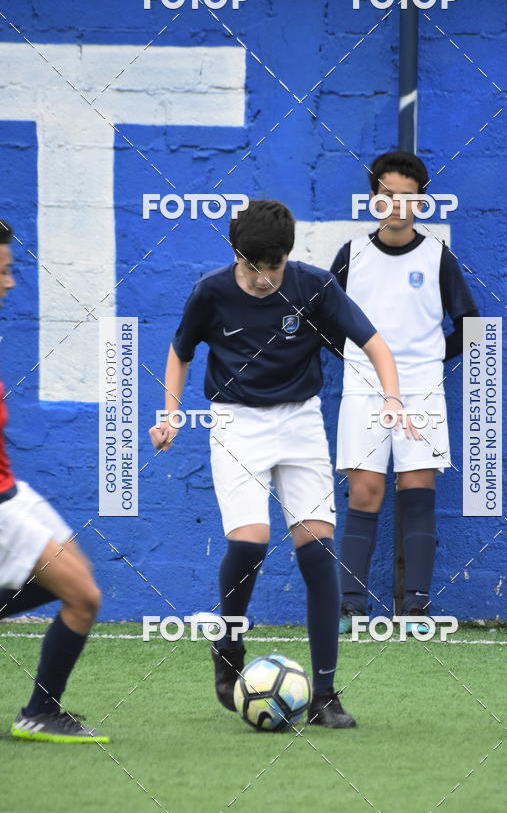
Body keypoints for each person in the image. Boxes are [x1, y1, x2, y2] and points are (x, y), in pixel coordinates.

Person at [149, 199, 418, 728]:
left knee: (318, 553)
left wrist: (392, 397)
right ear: (236, 254)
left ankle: (325, 695)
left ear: (287, 257)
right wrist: (171, 414)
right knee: (249, 542)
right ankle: (229, 644)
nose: (262, 278)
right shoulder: (210, 291)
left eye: (272, 267)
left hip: (300, 422)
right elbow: (180, 351)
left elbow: (375, 344)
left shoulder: (313, 285)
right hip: (236, 423)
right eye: (251, 267)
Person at [332, 151, 479, 634]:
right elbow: (323, 320)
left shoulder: (437, 256)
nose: (397, 205)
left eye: (409, 197)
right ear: (373, 198)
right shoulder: (353, 254)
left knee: (417, 491)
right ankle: (351, 607)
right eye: (388, 195)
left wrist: (430, 359)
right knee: (365, 491)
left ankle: (415, 607)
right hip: (363, 388)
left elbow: (470, 324)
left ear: (422, 202)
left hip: (420, 390)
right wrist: (357, 359)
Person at [0, 219, 107, 743]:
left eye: (10, 269)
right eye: (3, 272)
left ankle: (41, 711)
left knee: (79, 576)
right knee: (83, 596)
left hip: (11, 489)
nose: (10, 282)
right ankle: (40, 712)